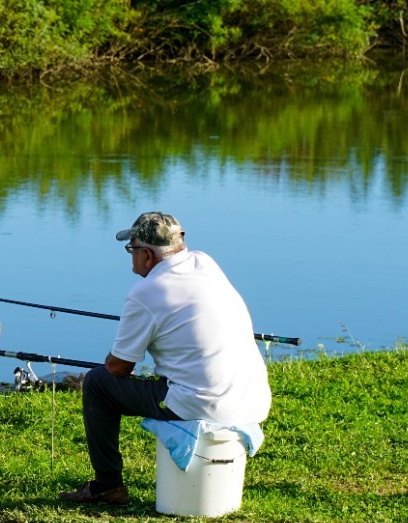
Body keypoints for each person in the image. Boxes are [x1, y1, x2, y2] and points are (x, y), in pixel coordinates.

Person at [60, 211, 271, 505]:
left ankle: (107, 486)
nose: (130, 257)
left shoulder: (146, 292)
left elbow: (118, 367)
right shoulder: (205, 262)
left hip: (203, 402)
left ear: (147, 255)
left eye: (131, 249)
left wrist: (116, 357)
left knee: (97, 383)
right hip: (252, 397)